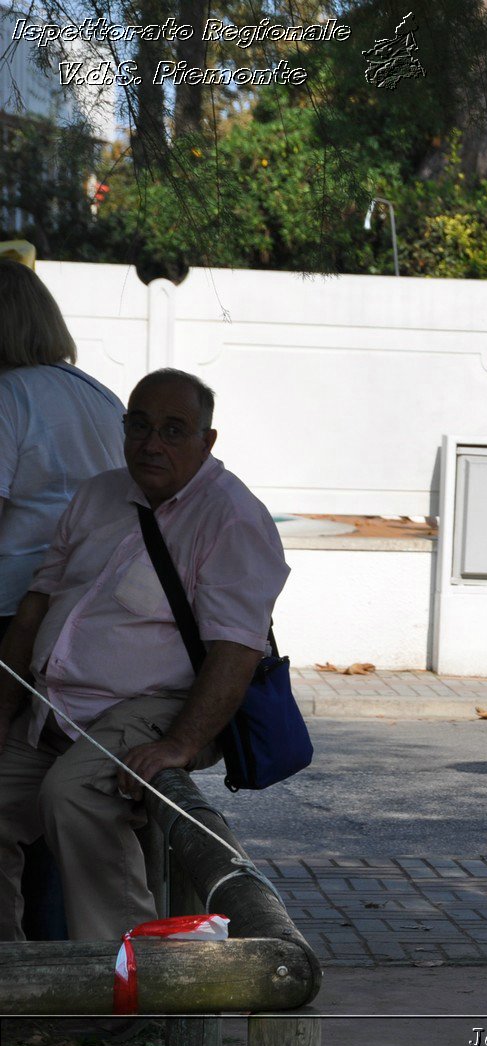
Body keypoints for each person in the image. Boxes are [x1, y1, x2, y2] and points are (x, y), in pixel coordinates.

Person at [0, 369, 291, 941]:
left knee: (73, 795)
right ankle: (14, 978)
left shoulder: (231, 517)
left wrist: (180, 743)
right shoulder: (98, 493)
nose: (152, 443)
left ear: (207, 442)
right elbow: (35, 606)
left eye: (174, 430)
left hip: (157, 705)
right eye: (139, 425)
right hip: (52, 706)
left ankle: (132, 989)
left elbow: (236, 649)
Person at [0, 259, 126, 941]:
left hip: (12, 617)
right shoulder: (102, 397)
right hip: (84, 625)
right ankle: (62, 969)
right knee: (56, 798)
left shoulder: (7, 396)